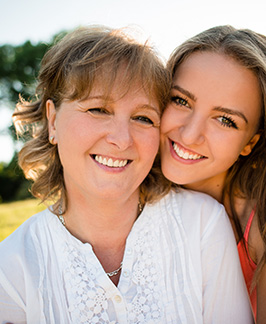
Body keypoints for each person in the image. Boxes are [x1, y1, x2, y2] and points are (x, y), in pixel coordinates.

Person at [0, 25, 252, 323]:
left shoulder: (202, 223)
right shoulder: (10, 267)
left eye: (143, 118)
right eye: (98, 110)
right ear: (53, 122)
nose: (121, 139)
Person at [160, 25, 266, 323]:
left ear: (251, 142)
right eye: (181, 100)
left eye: (225, 120)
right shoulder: (135, 194)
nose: (190, 134)